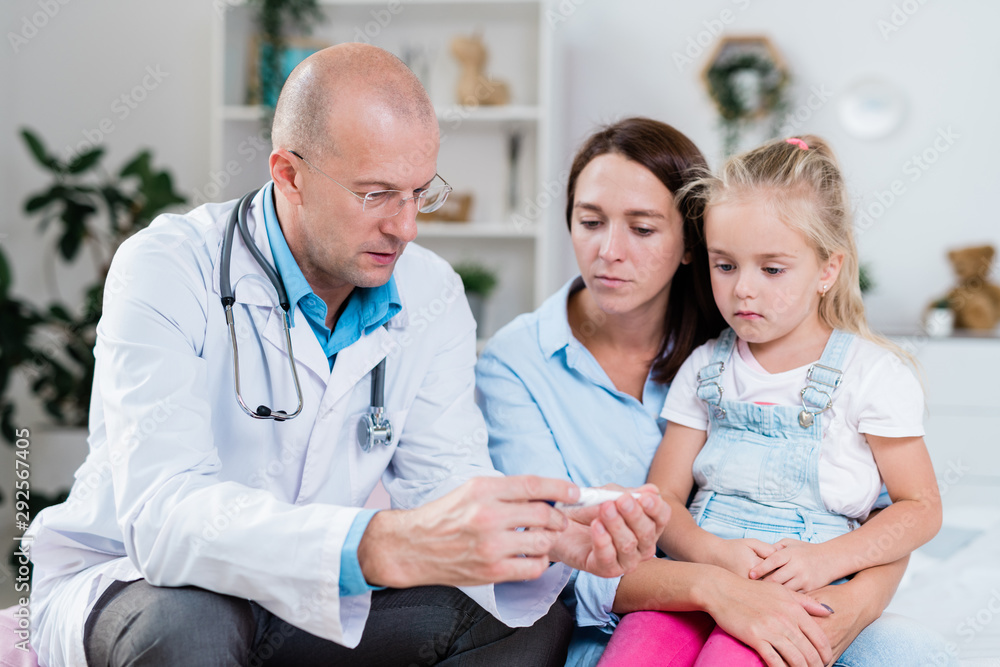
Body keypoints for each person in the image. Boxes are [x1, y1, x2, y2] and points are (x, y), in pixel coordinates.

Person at [24, 45, 670, 667]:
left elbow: (446, 481)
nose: (406, 226)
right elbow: (164, 516)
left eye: (420, 192)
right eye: (376, 194)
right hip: (142, 582)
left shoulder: (431, 291)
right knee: (191, 622)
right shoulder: (168, 266)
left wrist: (548, 531)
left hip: (309, 597)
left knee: (521, 620)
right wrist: (372, 543)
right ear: (289, 174)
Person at [476, 120, 955, 667]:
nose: (610, 251)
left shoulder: (825, 356)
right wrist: (712, 569)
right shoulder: (704, 364)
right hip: (661, 587)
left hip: (800, 575)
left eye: (643, 228)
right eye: (590, 221)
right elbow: (631, 518)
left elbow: (903, 511)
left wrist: (847, 586)